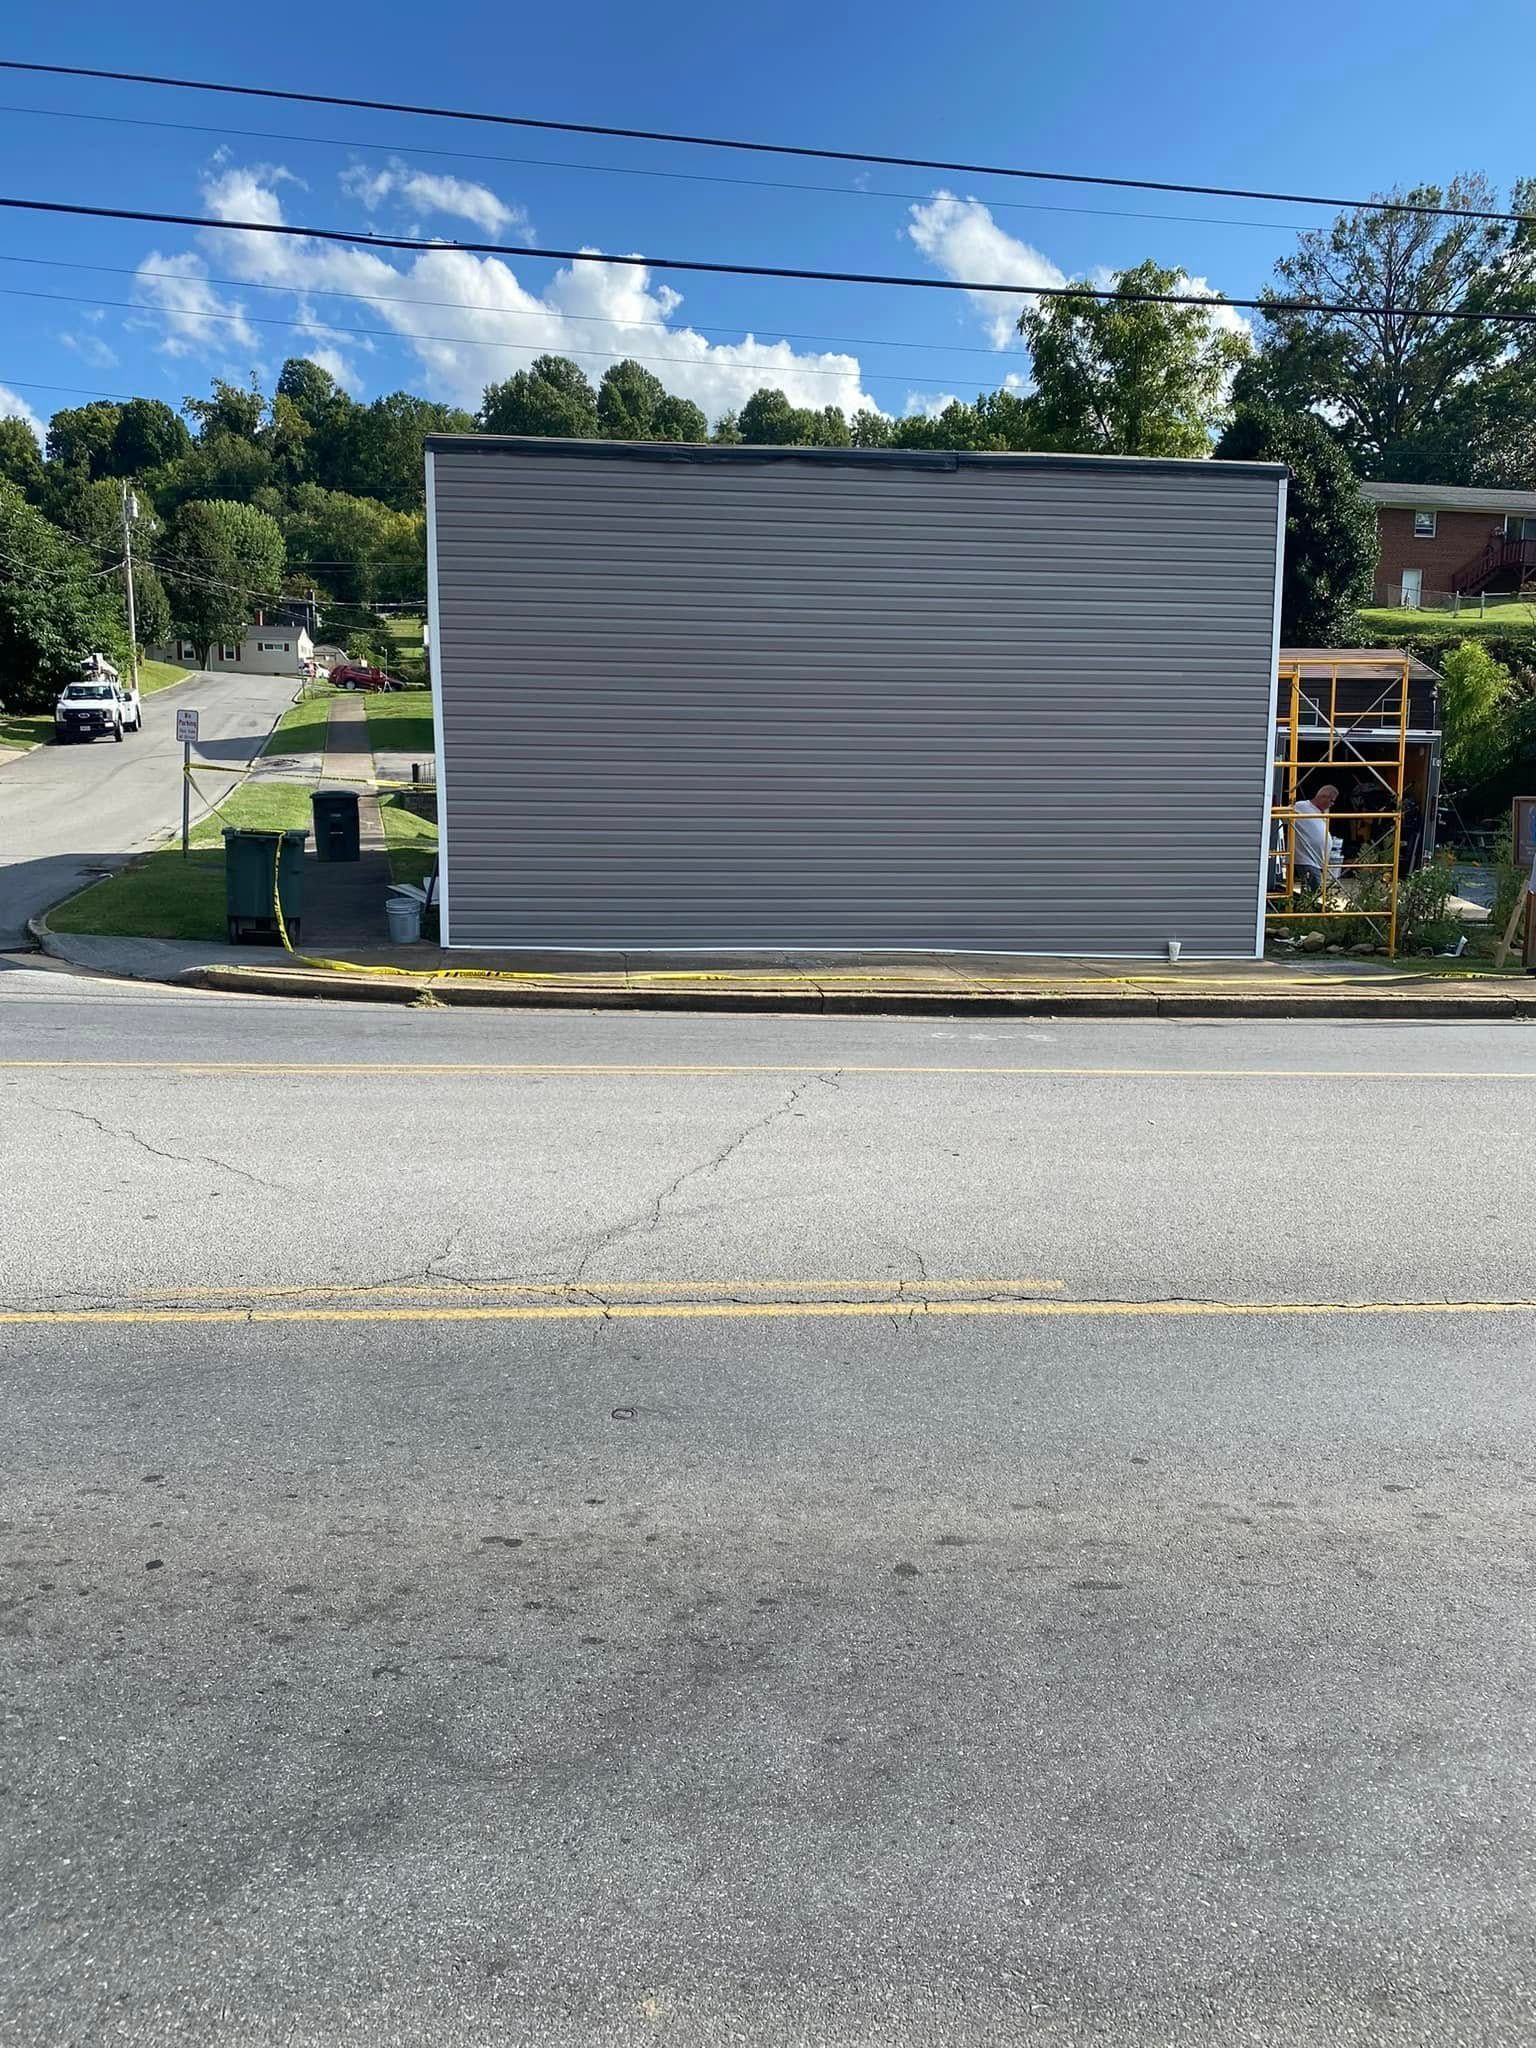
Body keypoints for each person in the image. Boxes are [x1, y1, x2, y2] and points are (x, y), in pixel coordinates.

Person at [1290, 784, 1339, 891]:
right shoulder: (1301, 806)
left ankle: (1304, 906)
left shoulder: (1322, 813)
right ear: (1323, 797)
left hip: (1317, 861)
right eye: (1331, 801)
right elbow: (1285, 813)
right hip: (1306, 858)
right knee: (1313, 886)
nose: (1332, 804)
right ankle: (1304, 907)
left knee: (1313, 887)